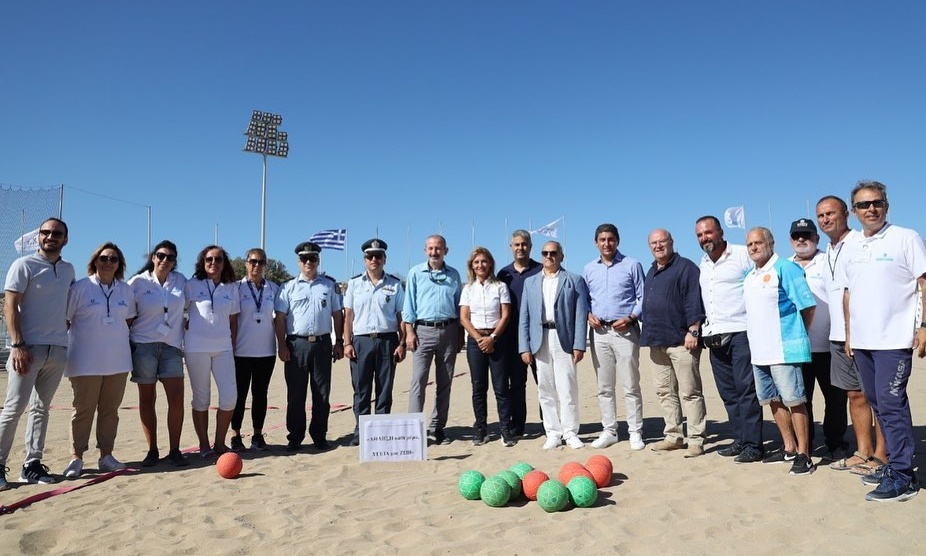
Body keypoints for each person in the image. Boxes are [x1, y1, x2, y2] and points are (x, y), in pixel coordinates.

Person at [837, 181, 926, 502]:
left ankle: (903, 476)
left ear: (886, 206)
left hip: (894, 338)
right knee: (878, 405)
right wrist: (849, 335)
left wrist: (924, 325)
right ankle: (892, 465)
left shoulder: (906, 237)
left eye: (876, 203)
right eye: (863, 205)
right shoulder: (851, 245)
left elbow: (923, 281)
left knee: (891, 404)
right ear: (854, 211)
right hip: (862, 341)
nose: (870, 209)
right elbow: (849, 293)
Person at [0, 217, 74, 489]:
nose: (50, 236)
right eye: (45, 232)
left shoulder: (68, 270)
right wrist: (18, 345)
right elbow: (9, 306)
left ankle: (31, 465)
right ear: (39, 237)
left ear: (65, 239)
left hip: (57, 349)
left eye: (57, 233)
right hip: (27, 349)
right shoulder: (23, 265)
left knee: (42, 409)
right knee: (13, 409)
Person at [816, 195, 888, 474]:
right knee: (855, 396)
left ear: (846, 213)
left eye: (831, 213)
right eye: (821, 215)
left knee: (876, 397)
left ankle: (882, 454)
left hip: (861, 335)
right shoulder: (829, 250)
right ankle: (863, 451)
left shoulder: (860, 243)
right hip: (837, 336)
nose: (826, 219)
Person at [742, 227, 816, 476]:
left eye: (758, 242)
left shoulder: (785, 268)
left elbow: (807, 306)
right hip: (760, 351)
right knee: (772, 400)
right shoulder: (750, 275)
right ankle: (789, 447)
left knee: (794, 401)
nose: (753, 247)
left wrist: (798, 334)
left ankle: (804, 454)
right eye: (750, 244)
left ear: (770, 243)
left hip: (784, 349)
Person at [61, 242, 136, 477]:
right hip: (84, 362)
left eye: (113, 259)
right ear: (95, 261)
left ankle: (106, 456)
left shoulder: (126, 290)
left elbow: (130, 320)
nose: (108, 262)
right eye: (104, 258)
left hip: (117, 362)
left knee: (110, 411)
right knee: (83, 410)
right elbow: (65, 320)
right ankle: (77, 457)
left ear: (119, 264)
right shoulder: (80, 288)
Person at [695, 215, 764, 463]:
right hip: (714, 336)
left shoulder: (741, 254)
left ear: (720, 232)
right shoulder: (703, 263)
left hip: (741, 332)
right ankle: (740, 440)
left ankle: (754, 445)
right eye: (700, 235)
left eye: (708, 233)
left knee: (747, 391)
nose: (705, 238)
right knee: (729, 393)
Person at [639, 229, 707, 458]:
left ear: (671, 242)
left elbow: (693, 300)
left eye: (662, 242)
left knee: (690, 392)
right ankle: (674, 436)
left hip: (682, 341)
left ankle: (696, 439)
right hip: (656, 341)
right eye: (654, 243)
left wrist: (694, 330)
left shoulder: (686, 268)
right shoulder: (651, 271)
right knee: (665, 392)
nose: (658, 246)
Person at [275, 241, 344, 451]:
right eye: (304, 259)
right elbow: (279, 318)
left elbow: (337, 314)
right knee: (296, 395)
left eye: (312, 258)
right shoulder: (287, 287)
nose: (308, 262)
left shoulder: (329, 285)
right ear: (298, 261)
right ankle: (295, 437)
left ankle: (319, 436)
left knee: (321, 394)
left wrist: (338, 341)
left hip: (322, 344)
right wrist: (281, 346)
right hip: (296, 346)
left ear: (318, 260)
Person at [519, 241, 589, 450]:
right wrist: (525, 346)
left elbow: (580, 314)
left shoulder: (574, 280)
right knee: (545, 388)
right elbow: (525, 316)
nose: (549, 256)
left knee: (567, 387)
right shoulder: (530, 282)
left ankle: (570, 432)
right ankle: (552, 432)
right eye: (545, 253)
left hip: (563, 337)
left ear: (561, 256)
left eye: (553, 253)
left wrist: (579, 344)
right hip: (539, 338)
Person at [787, 218, 848, 457]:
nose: (801, 240)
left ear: (816, 238)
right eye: (796, 236)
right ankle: (807, 444)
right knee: (802, 399)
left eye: (807, 235)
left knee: (835, 399)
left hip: (829, 343)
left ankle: (835, 442)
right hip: (797, 347)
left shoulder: (828, 261)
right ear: (790, 240)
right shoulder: (785, 266)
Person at [583, 223, 645, 450]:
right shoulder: (589, 269)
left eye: (610, 239)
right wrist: (588, 314)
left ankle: (635, 431)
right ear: (596, 242)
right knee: (605, 386)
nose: (606, 243)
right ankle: (609, 430)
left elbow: (642, 297)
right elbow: (586, 300)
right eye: (602, 239)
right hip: (599, 333)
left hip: (626, 331)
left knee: (630, 384)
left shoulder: (632, 265)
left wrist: (630, 317)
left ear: (617, 241)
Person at [127, 240, 189, 467]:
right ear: (153, 257)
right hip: (144, 346)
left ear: (175, 262)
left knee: (176, 399)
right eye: (161, 256)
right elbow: (127, 317)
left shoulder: (181, 281)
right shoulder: (137, 282)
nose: (165, 260)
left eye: (170, 257)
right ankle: (152, 449)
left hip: (172, 347)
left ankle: (174, 449)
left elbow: (196, 305)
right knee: (147, 399)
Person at [343, 239, 405, 446]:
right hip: (361, 341)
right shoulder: (353, 284)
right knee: (361, 389)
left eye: (378, 256)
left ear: (384, 259)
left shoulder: (395, 284)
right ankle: (361, 430)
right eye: (370, 256)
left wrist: (402, 343)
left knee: (384, 388)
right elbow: (348, 316)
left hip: (387, 340)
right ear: (364, 260)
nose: (374, 260)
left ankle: (380, 432)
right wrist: (347, 343)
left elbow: (400, 317)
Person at [403, 235, 463, 445]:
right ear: (425, 250)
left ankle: (437, 427)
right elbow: (408, 306)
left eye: (438, 248)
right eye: (430, 248)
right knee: (418, 381)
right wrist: (409, 333)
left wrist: (459, 335)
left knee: (444, 382)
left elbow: (459, 307)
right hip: (422, 331)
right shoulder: (415, 273)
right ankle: (413, 430)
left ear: (446, 250)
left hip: (449, 330)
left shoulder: (454, 275)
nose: (434, 252)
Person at [184, 245, 240, 457]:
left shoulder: (231, 287)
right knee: (201, 398)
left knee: (229, 397)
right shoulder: (191, 284)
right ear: (202, 262)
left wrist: (232, 343)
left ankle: (219, 443)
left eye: (218, 259)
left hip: (223, 348)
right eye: (209, 259)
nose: (213, 263)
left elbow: (234, 319)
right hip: (196, 348)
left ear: (224, 263)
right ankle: (204, 445)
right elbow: (176, 311)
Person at [459, 247, 513, 447]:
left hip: (497, 338)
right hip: (475, 341)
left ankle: (505, 429)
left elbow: (505, 314)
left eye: (484, 261)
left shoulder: (500, 286)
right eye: (476, 262)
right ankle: (481, 429)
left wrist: (492, 337)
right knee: (478, 387)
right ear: (472, 266)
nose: (480, 265)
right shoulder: (468, 289)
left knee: (501, 388)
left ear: (490, 263)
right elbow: (464, 318)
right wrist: (479, 339)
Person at [230, 248, 279, 452]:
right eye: (252, 261)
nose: (256, 266)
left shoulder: (274, 288)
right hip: (241, 352)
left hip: (266, 352)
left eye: (260, 262)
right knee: (239, 396)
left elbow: (280, 319)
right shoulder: (236, 288)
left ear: (265, 264)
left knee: (260, 395)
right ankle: (235, 435)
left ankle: (258, 435)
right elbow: (231, 320)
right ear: (245, 263)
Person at [497, 229, 542, 438]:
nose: (520, 248)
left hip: (539, 336)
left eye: (524, 244)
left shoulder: (541, 270)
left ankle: (549, 422)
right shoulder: (503, 275)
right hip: (512, 338)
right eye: (516, 244)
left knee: (545, 382)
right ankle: (518, 424)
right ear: (511, 247)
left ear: (530, 246)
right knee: (516, 384)